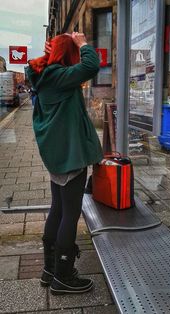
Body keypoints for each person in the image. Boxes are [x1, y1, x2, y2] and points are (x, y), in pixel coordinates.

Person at [27, 32, 103, 295]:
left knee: (57, 208)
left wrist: (56, 51)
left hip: (57, 154)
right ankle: (63, 276)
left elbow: (36, 66)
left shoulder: (46, 75)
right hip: (69, 155)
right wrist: (82, 43)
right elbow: (92, 66)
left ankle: (49, 270)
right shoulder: (59, 76)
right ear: (68, 54)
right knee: (70, 213)